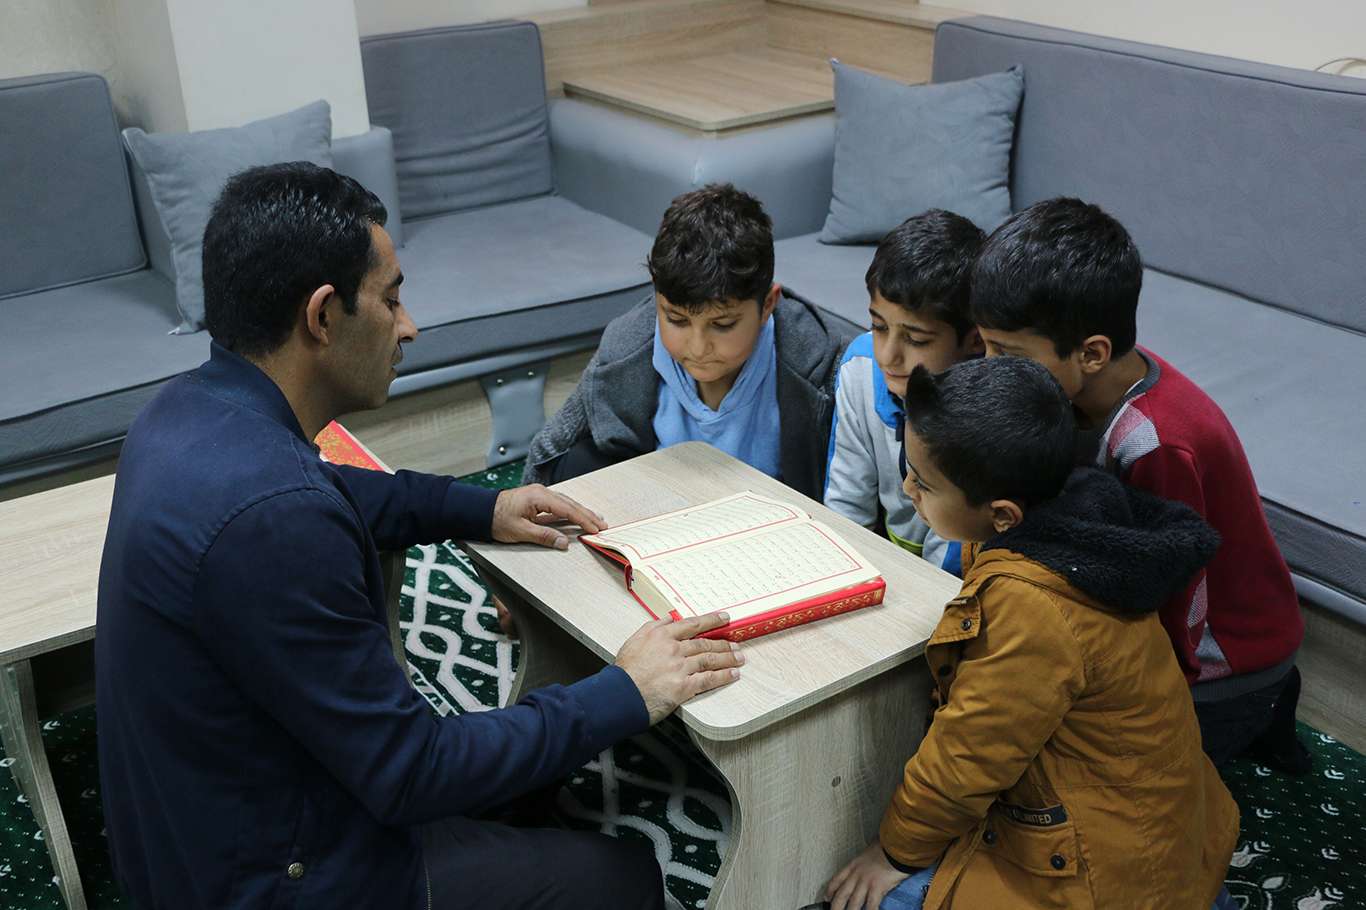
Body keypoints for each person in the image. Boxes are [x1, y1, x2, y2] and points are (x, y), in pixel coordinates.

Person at [95, 162, 744, 910]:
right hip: (271, 880)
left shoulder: (185, 411)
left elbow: (341, 491)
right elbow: (411, 773)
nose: (408, 326)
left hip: (189, 831)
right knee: (623, 878)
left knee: (526, 780)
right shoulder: (277, 519)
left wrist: (483, 509)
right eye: (391, 299)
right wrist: (626, 691)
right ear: (322, 316)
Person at [826, 357, 1239, 910]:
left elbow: (967, 759)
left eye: (922, 482)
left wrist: (893, 853)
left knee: (865, 896)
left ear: (1002, 515)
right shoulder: (1076, 514)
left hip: (1113, 872)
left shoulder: (1032, 607)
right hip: (1154, 823)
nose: (906, 487)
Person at [968, 197, 1308, 771]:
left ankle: (1258, 710)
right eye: (985, 346)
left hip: (1225, 658)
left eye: (1008, 354)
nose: (990, 367)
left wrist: (1150, 695)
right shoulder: (1084, 384)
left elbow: (1179, 586)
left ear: (1091, 353)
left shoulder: (1155, 443)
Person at [523, 183, 847, 499]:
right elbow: (549, 449)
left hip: (772, 517)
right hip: (662, 504)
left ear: (767, 305)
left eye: (722, 325)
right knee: (576, 465)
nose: (697, 348)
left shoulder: (819, 363)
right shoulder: (626, 347)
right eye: (677, 320)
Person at [824, 210, 984, 574]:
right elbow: (846, 504)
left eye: (916, 339)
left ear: (974, 341)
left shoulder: (981, 411)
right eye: (879, 327)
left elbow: (950, 560)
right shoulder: (860, 366)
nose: (888, 355)